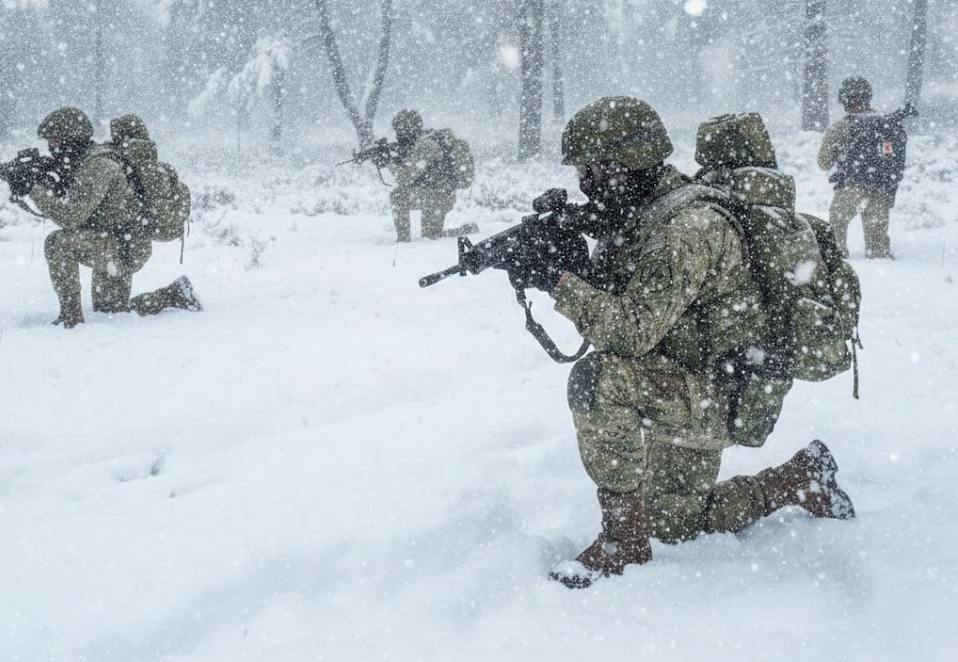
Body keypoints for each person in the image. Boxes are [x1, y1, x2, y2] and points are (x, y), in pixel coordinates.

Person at [538, 97, 854, 589]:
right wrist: (578, 261)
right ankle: (797, 478)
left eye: (593, 171)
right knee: (675, 525)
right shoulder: (650, 214)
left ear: (630, 163)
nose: (585, 183)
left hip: (720, 393)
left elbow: (629, 331)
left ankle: (623, 540)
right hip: (688, 378)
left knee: (596, 381)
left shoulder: (689, 228)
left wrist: (559, 282)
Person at [29, 107, 200, 328]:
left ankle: (70, 317)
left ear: (72, 138)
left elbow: (70, 217)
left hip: (122, 248)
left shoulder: (98, 165)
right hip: (127, 242)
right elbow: (78, 207)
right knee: (112, 311)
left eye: (55, 140)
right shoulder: (90, 158)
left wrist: (33, 190)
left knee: (57, 243)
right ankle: (173, 295)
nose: (50, 147)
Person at [817, 77, 909, 259]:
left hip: (850, 189)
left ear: (844, 100)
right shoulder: (886, 124)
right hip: (880, 189)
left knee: (836, 230)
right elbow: (895, 159)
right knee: (878, 250)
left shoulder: (841, 126)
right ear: (868, 97)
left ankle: (837, 259)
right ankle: (882, 266)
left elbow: (823, 162)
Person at [381, 110, 471, 242]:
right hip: (437, 195)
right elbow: (415, 170)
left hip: (437, 197)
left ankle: (403, 240)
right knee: (431, 235)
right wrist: (394, 158)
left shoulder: (426, 145)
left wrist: (387, 161)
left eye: (400, 130)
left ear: (410, 129)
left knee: (398, 196)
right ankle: (465, 231)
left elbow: (405, 177)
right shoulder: (425, 140)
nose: (397, 135)